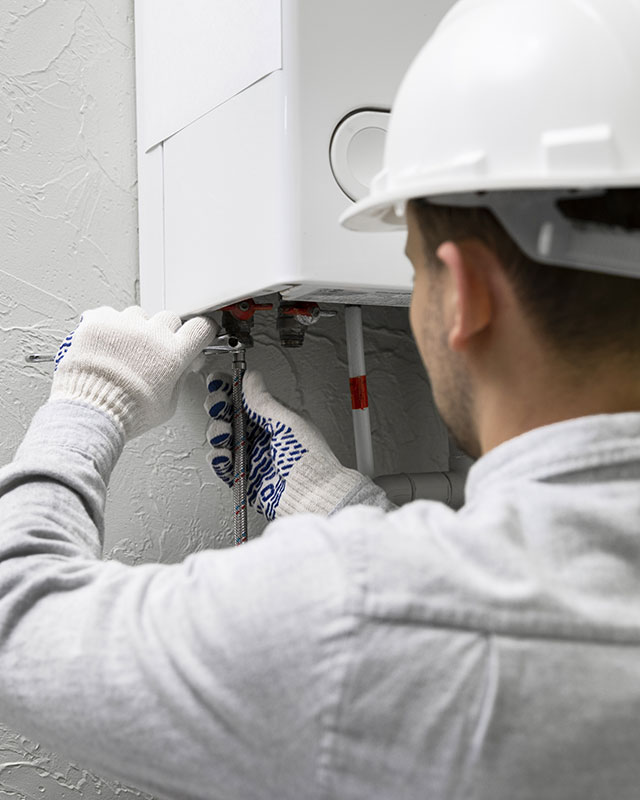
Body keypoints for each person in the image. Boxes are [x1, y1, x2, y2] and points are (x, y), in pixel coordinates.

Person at [1, 0, 640, 798]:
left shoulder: (349, 611)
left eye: (415, 268)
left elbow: (16, 621)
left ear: (465, 291)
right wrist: (340, 507)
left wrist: (91, 399)